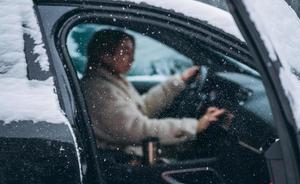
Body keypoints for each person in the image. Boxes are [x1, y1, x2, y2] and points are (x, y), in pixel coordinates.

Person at [81, 29, 229, 159]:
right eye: (125, 52)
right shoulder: (98, 89)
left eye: (132, 53)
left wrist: (179, 82)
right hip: (123, 160)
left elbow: (141, 108)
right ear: (105, 55)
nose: (132, 59)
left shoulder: (110, 80)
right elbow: (139, 129)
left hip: (127, 155)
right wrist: (194, 126)